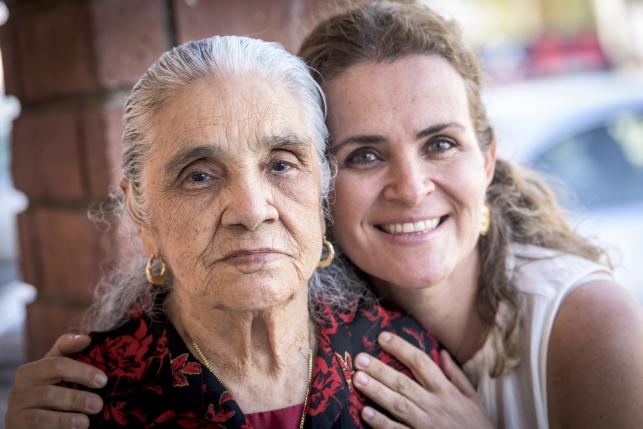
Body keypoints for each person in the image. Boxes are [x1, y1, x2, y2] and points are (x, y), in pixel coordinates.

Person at [8, 1, 643, 428]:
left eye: (441, 143)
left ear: (487, 161)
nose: (412, 186)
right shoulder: (92, 391)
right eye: (366, 153)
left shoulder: (591, 329)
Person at [5, 34, 442, 429]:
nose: (252, 211)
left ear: (322, 187)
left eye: (282, 164)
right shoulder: (83, 403)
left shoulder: (406, 365)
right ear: (141, 211)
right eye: (199, 176)